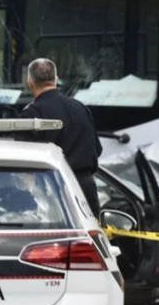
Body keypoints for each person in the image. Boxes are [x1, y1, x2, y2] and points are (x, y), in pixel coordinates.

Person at [18, 58, 103, 214]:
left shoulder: (31, 115)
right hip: (86, 190)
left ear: (30, 82)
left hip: (52, 191)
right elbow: (96, 150)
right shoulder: (81, 108)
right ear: (56, 79)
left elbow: (25, 161)